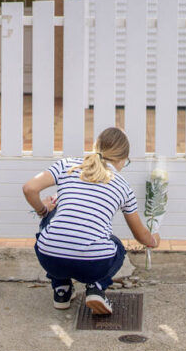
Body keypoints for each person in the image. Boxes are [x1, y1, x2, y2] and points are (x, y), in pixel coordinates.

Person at [22, 127, 161, 315]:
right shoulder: (123, 186)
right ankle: (96, 286)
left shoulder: (67, 165)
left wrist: (43, 210)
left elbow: (29, 188)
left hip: (50, 258)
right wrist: (152, 240)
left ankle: (61, 289)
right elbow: (139, 235)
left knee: (51, 219)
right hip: (93, 262)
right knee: (117, 247)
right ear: (121, 159)